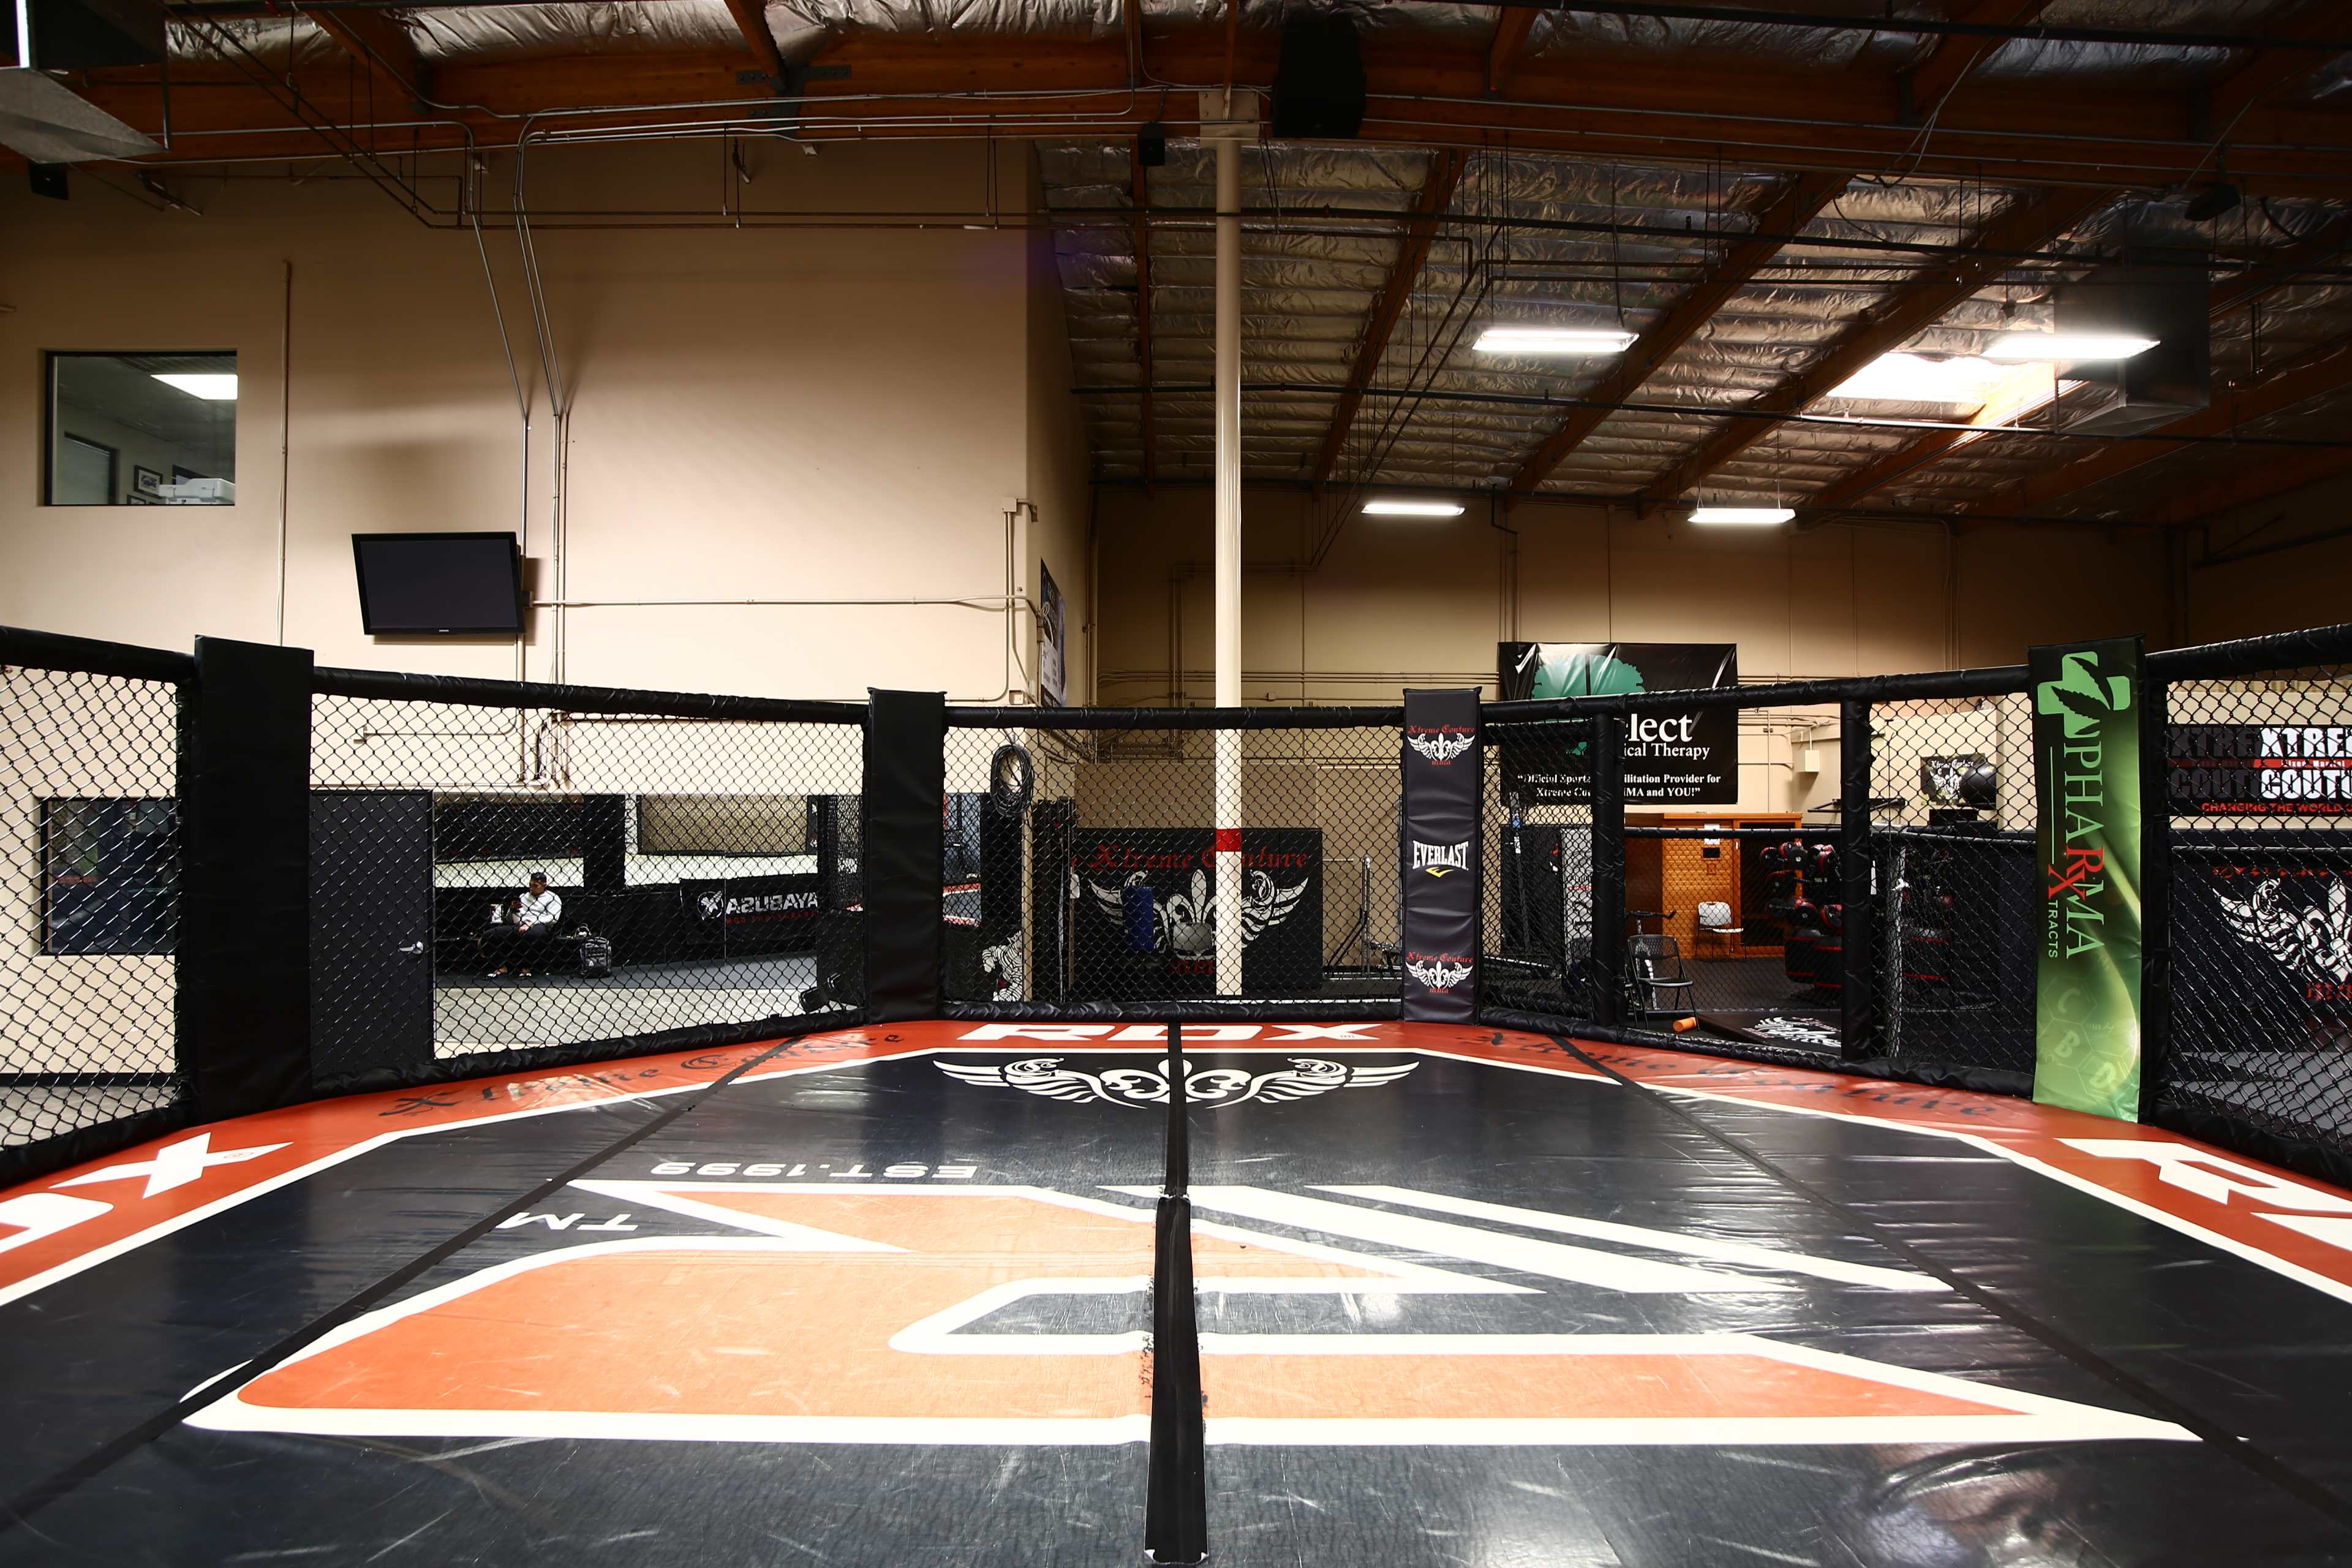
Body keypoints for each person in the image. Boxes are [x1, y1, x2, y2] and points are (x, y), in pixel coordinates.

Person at [484, 872, 564, 977]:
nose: (532, 888)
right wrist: (513, 910)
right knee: (489, 935)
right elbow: (512, 921)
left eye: (535, 886)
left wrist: (533, 923)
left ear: (545, 885)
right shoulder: (523, 896)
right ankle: (501, 967)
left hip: (540, 926)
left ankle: (526, 968)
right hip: (520, 926)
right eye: (530, 885)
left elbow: (553, 918)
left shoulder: (552, 898)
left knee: (531, 935)